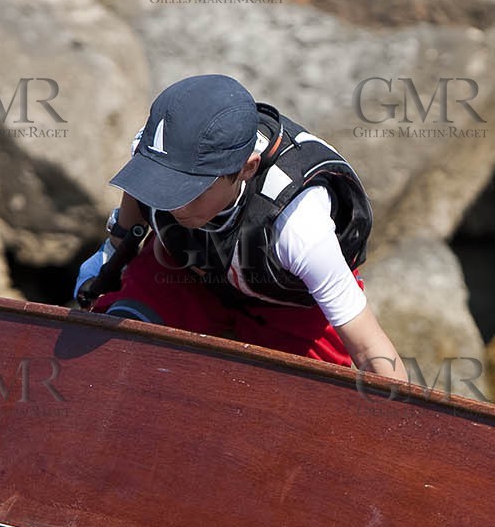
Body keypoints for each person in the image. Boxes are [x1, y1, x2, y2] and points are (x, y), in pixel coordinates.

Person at [75, 75, 407, 381]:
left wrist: (397, 419)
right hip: (190, 271)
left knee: (306, 404)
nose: (176, 207)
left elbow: (371, 352)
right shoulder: (156, 150)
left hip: (289, 304)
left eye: (191, 191)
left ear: (247, 168)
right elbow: (138, 192)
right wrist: (113, 248)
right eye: (164, 186)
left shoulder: (300, 226)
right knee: (114, 345)